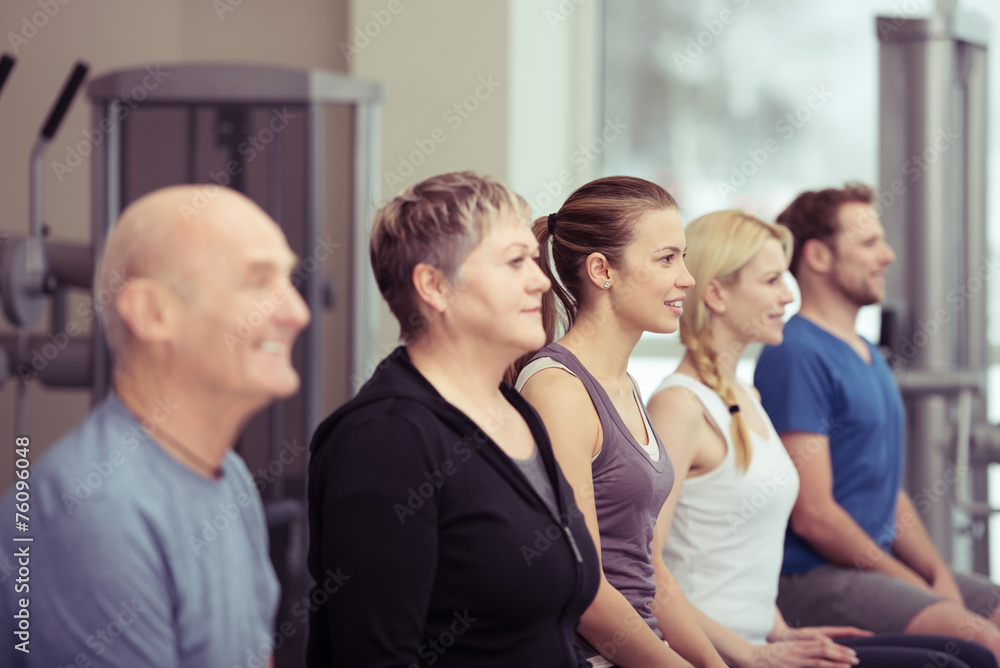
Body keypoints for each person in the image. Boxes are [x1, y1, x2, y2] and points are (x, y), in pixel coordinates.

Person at [648, 208, 998, 668]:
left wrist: (783, 631)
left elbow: (741, 559)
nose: (787, 297)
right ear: (715, 293)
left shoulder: (746, 396)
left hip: (763, 637)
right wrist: (753, 655)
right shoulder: (678, 406)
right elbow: (646, 571)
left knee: (970, 653)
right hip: (723, 652)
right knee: (961, 660)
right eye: (772, 280)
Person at [0, 185, 311, 667]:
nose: (297, 312)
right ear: (152, 313)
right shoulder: (92, 508)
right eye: (257, 280)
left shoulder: (230, 480)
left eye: (287, 279)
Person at [306, 171, 600, 667]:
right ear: (434, 286)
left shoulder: (515, 409)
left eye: (532, 258)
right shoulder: (386, 441)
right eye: (514, 262)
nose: (541, 280)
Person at [753, 183, 1000, 661]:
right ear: (819, 256)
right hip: (812, 578)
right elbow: (814, 514)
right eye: (868, 244)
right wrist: (914, 583)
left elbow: (886, 493)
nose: (886, 256)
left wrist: (937, 573)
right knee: (982, 642)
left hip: (871, 570)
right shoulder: (796, 353)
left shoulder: (869, 355)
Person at [512, 176, 727, 668]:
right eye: (667, 258)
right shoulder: (558, 391)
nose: (687, 277)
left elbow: (649, 569)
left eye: (684, 257)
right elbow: (580, 584)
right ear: (602, 271)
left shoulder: (624, 384)